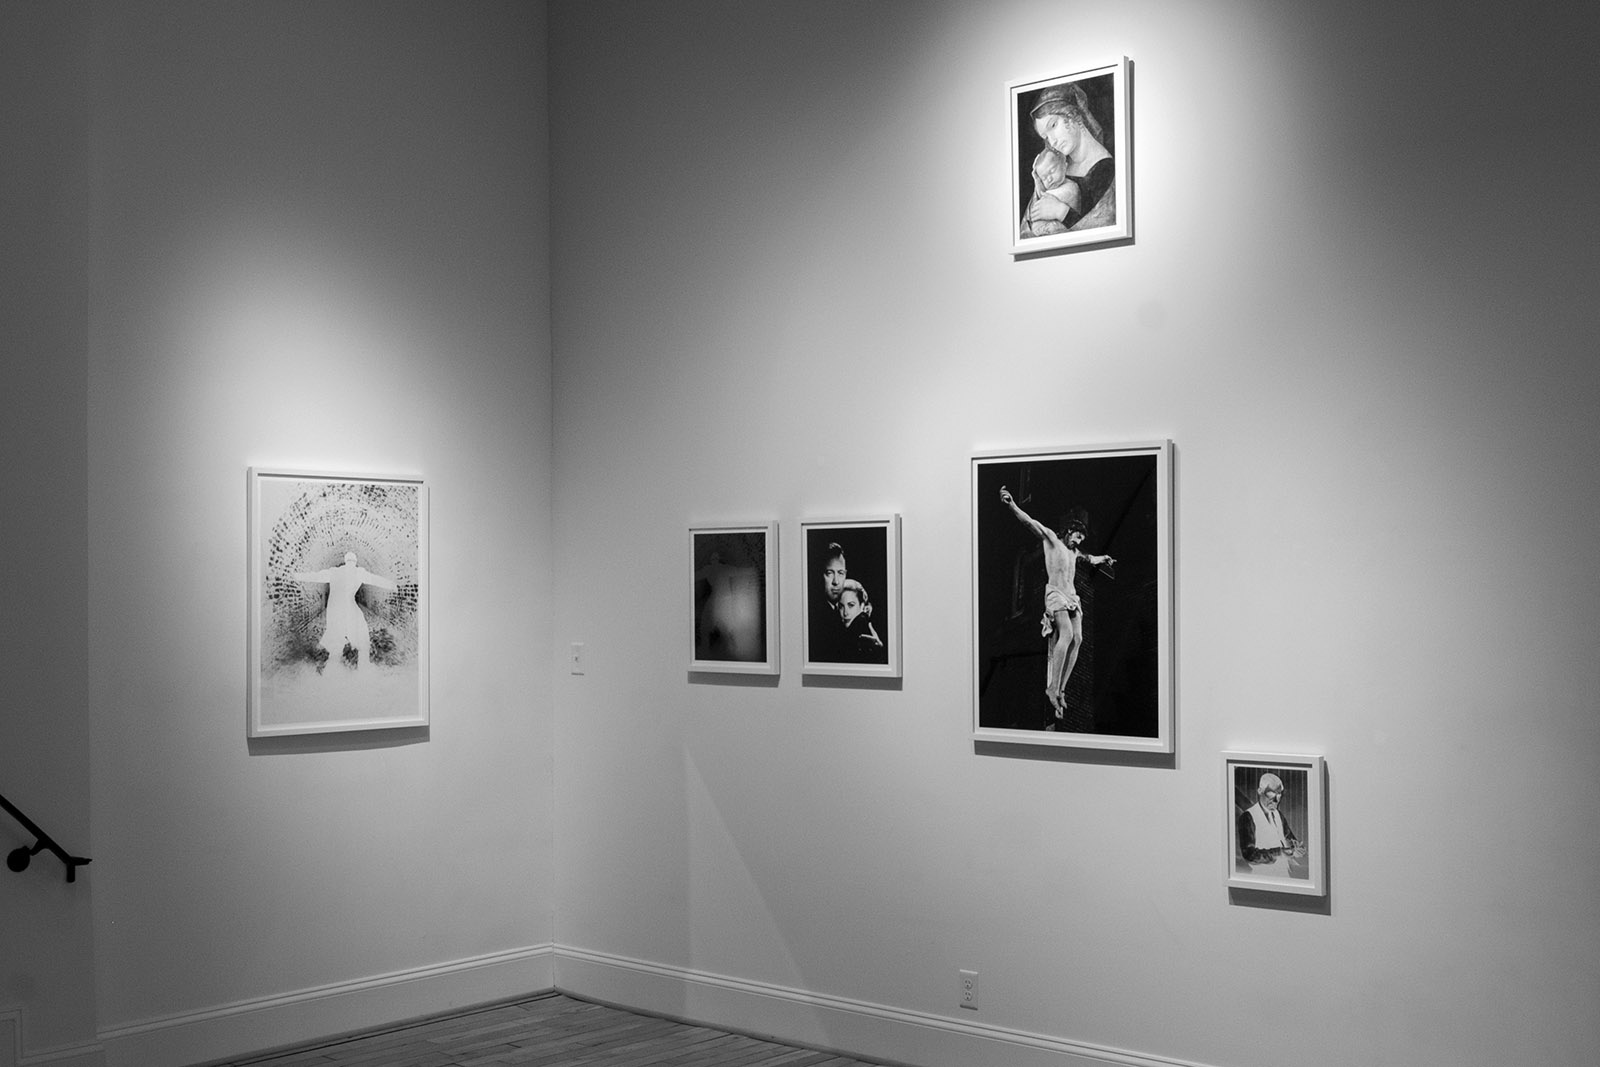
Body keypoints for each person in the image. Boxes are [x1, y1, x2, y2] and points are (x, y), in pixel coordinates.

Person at [998, 487, 1114, 722]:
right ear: (1069, 531)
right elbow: (1030, 522)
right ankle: (1051, 687)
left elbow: (1090, 559)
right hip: (1056, 594)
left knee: (1078, 639)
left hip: (1072, 597)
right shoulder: (1051, 539)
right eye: (1077, 537)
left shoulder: (1074, 553)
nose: (1078, 541)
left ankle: (1060, 688)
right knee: (1067, 634)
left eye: (1081, 539)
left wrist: (1104, 558)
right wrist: (1011, 505)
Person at [1019, 81, 1115, 239]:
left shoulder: (1105, 168)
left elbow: (1102, 227)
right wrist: (1039, 184)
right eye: (1046, 137)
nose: (1052, 141)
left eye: (1053, 125)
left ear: (1072, 114)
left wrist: (1060, 211)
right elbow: (1028, 232)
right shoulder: (1057, 167)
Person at [292, 551, 396, 670]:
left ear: (345, 561)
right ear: (355, 561)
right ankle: (363, 663)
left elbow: (315, 576)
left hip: (334, 607)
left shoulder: (334, 572)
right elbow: (375, 579)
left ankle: (332, 665)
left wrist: (297, 576)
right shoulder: (359, 572)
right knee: (360, 629)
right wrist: (392, 585)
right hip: (348, 605)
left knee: (336, 633)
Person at [1236, 773, 1306, 876]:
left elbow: (1289, 839)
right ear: (1260, 791)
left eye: (1279, 794)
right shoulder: (1247, 817)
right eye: (1272, 793)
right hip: (1262, 876)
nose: (1276, 800)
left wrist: (1296, 847)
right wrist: (1279, 853)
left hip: (1284, 875)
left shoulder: (1278, 815)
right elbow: (1249, 855)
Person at [809, 542, 850, 662]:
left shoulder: (847, 609)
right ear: (820, 575)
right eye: (830, 573)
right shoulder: (814, 615)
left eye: (841, 573)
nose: (836, 581)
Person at [836, 578, 886, 663]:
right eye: (841, 607)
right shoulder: (840, 636)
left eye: (851, 605)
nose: (845, 613)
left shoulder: (866, 634)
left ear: (862, 606)